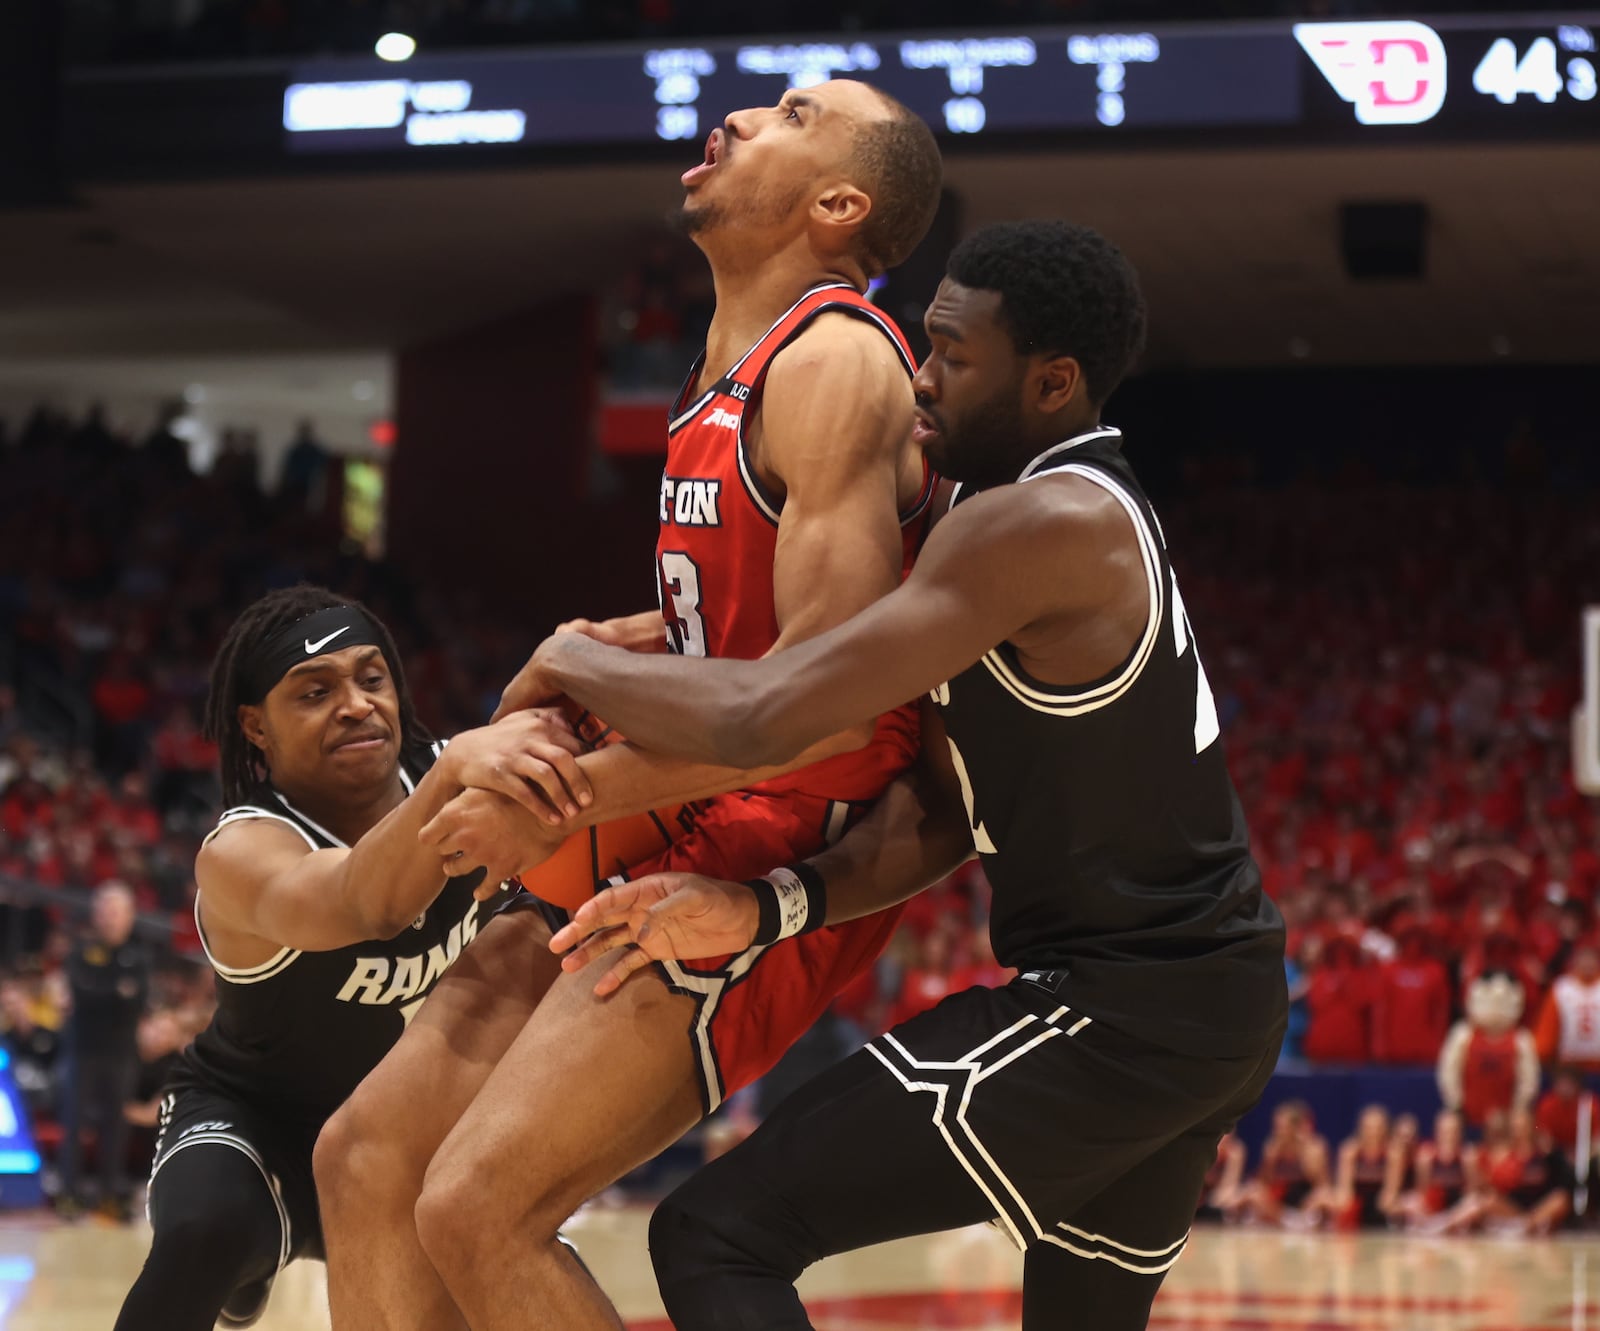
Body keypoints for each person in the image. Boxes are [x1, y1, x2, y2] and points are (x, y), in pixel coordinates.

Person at [537, 219, 1287, 1330]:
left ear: (1053, 380)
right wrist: (760, 906)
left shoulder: (1042, 521)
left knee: (715, 1231)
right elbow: (942, 811)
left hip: (1127, 1003)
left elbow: (766, 710)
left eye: (952, 355)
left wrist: (567, 656)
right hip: (1200, 1001)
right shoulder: (1034, 511)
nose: (919, 379)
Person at [314, 79, 944, 1331]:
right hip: (686, 777)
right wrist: (634, 637)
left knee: (478, 1206)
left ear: (836, 203)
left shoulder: (830, 363)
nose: (744, 117)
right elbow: (751, 625)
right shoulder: (728, 361)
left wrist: (566, 788)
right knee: (365, 1159)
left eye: (792, 115)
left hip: (783, 827)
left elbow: (827, 703)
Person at [112, 586, 582, 1331]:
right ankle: (252, 1252)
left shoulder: (457, 777)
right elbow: (366, 905)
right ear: (254, 726)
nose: (358, 704)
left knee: (493, 1269)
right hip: (257, 1120)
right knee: (206, 1235)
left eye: (372, 677)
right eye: (315, 691)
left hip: (400, 1140)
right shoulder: (241, 850)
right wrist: (462, 762)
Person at [58, 881, 149, 1221]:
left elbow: (137, 1000)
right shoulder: (81, 952)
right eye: (105, 911)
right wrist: (116, 993)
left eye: (117, 911)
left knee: (116, 1124)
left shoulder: (139, 957)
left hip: (121, 1053)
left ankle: (109, 1194)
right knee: (74, 1123)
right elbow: (82, 995)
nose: (110, 918)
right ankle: (70, 1193)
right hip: (82, 1050)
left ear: (129, 916)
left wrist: (104, 993)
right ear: (96, 915)